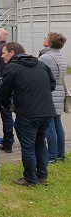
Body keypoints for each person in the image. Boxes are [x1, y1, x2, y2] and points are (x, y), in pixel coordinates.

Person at [0, 42, 56, 186]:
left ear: (12, 52)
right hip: (47, 111)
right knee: (40, 144)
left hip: (27, 114)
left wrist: (4, 104)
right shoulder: (41, 65)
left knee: (28, 147)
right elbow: (52, 84)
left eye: (4, 52)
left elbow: (4, 91)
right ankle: (42, 176)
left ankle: (30, 179)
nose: (2, 55)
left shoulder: (12, 68)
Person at [38, 32, 68, 163]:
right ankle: (61, 154)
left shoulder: (45, 57)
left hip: (50, 94)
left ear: (50, 42)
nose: (44, 39)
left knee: (49, 126)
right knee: (57, 124)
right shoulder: (60, 55)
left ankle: (52, 156)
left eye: (46, 37)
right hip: (59, 93)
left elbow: (37, 71)